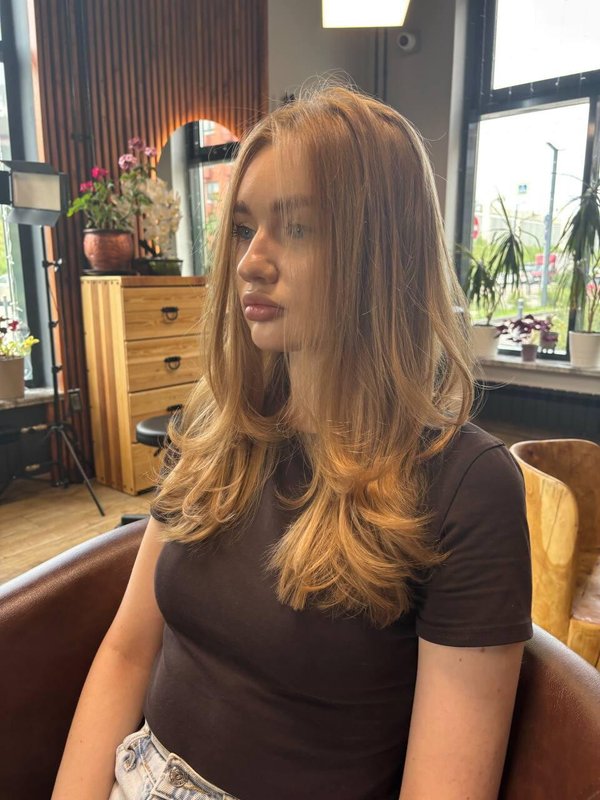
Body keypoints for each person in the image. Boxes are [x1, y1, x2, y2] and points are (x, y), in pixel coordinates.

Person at [52, 86, 532, 800]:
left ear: (383, 253)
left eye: (298, 228)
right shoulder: (214, 430)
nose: (251, 261)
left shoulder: (465, 486)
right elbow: (126, 652)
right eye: (245, 228)